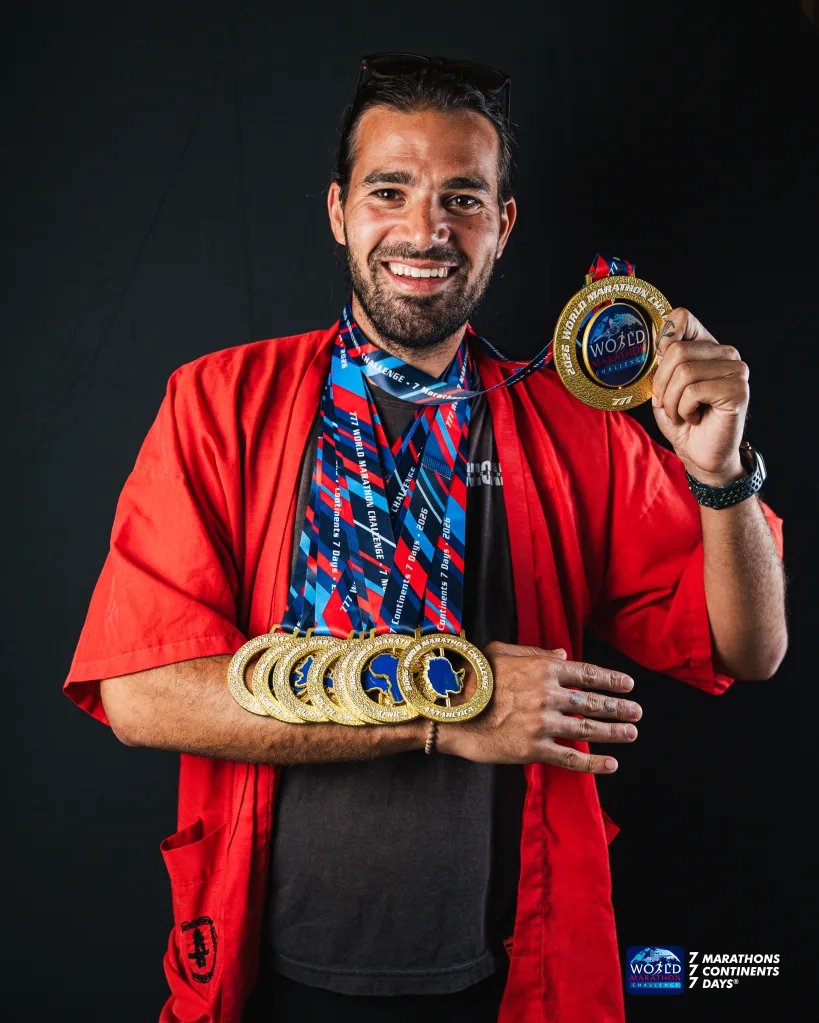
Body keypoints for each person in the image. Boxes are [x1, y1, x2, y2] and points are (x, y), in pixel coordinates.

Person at [64, 54, 787, 1023]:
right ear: (337, 209)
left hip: (501, 977)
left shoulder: (575, 428)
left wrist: (720, 473)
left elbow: (752, 645)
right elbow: (140, 693)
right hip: (268, 974)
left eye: (463, 199)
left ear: (503, 225)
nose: (425, 230)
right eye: (390, 191)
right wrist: (446, 713)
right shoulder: (218, 405)